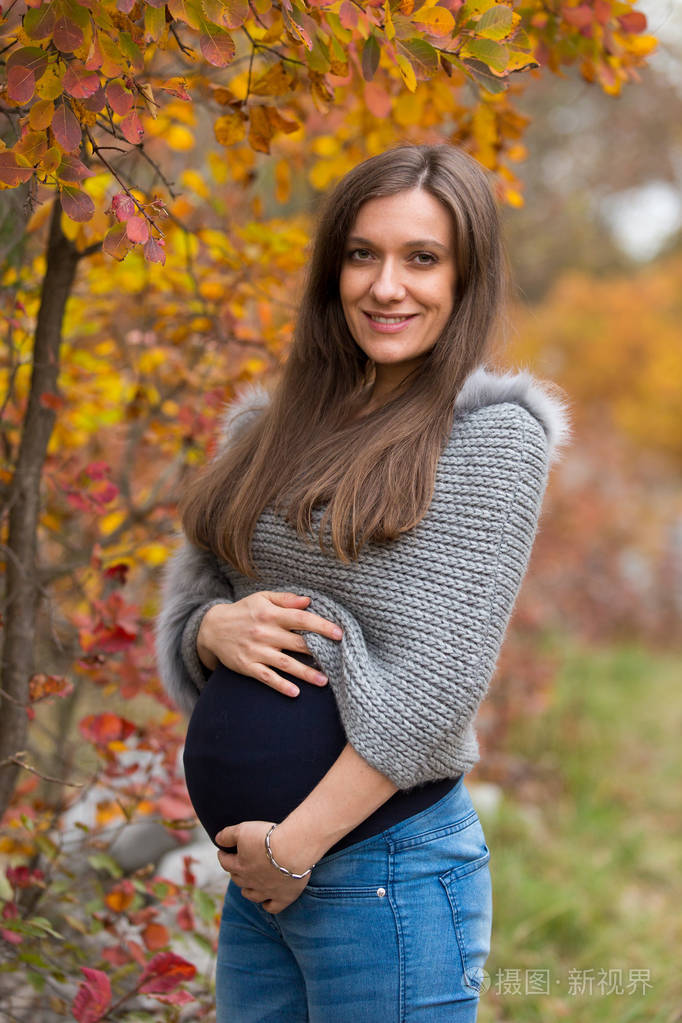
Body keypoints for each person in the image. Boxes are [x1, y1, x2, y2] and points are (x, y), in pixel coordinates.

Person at [155, 143, 571, 1022]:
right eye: (362, 254)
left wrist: (294, 847)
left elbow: (437, 687)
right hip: (259, 881)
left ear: (465, 278)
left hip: (385, 876)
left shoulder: (492, 439)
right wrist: (209, 631)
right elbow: (199, 596)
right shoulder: (268, 430)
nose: (387, 286)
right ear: (332, 269)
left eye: (421, 258)